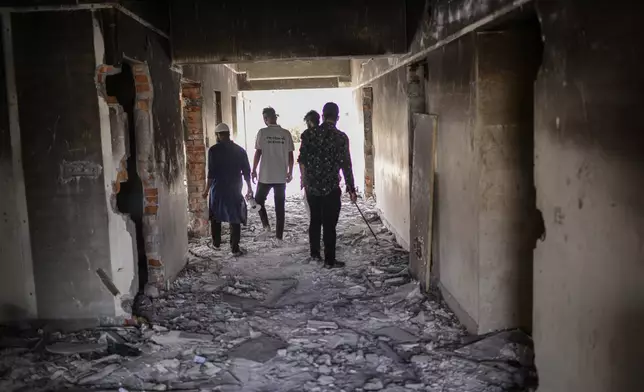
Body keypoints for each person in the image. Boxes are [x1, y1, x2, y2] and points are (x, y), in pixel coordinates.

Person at [299, 102, 357, 268]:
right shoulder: (341, 138)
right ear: (337, 118)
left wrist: (304, 180)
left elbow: (302, 161)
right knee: (330, 224)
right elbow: (346, 165)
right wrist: (351, 188)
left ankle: (315, 254)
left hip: (313, 187)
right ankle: (329, 260)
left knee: (315, 220)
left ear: (322, 115)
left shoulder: (308, 135)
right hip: (331, 187)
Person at [202, 123, 253, 256]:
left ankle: (216, 244)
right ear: (228, 134)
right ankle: (234, 248)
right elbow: (247, 171)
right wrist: (249, 188)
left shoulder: (213, 150)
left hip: (218, 189)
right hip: (235, 188)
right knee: (234, 217)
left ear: (218, 135)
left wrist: (206, 190)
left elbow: (211, 173)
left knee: (215, 216)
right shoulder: (240, 150)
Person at [251, 107, 295, 240]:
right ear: (275, 117)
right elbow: (291, 156)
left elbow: (258, 152)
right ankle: (279, 236)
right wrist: (290, 172)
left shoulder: (262, 133)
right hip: (280, 176)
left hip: (266, 176)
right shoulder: (286, 133)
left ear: (266, 119)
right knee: (279, 207)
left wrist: (253, 170)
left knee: (258, 201)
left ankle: (266, 226)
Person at [300, 110, 321, 218]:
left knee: (312, 210)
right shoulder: (327, 134)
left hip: (311, 179)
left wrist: (303, 178)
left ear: (309, 121)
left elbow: (302, 160)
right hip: (326, 180)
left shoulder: (307, 135)